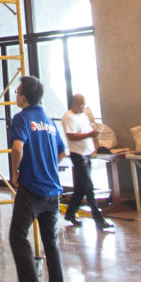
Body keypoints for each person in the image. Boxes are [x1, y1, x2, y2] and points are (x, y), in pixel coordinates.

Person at [9, 75, 67, 282]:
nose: (16, 94)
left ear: (24, 96)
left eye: (18, 91)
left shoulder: (22, 119)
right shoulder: (49, 122)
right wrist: (47, 166)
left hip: (31, 189)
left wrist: (16, 173)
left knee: (17, 236)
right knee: (50, 242)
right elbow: (62, 152)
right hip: (53, 191)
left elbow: (17, 147)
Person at [61, 93, 114, 230]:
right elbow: (71, 136)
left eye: (84, 104)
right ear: (74, 103)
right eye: (81, 104)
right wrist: (90, 134)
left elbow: (88, 131)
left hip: (87, 154)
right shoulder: (68, 117)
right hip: (78, 155)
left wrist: (95, 134)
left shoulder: (83, 116)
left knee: (80, 188)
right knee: (89, 188)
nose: (82, 107)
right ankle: (99, 219)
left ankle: (70, 213)